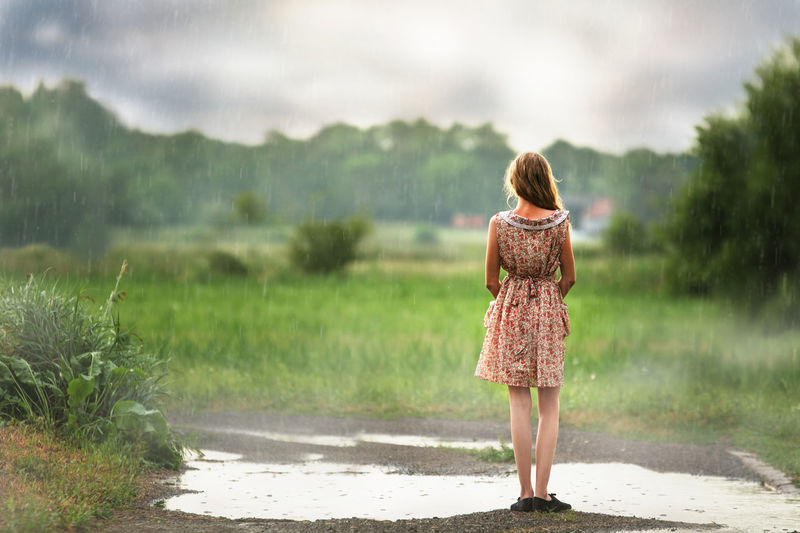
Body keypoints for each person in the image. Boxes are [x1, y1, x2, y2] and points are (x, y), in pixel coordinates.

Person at [475, 151, 575, 513]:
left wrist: (513, 300)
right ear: (545, 180)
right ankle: (545, 494)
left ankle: (525, 494)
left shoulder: (499, 223)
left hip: (512, 309)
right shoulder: (560, 222)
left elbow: (489, 280)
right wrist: (547, 299)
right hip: (547, 310)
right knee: (549, 407)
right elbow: (570, 277)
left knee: (519, 403)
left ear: (515, 181)